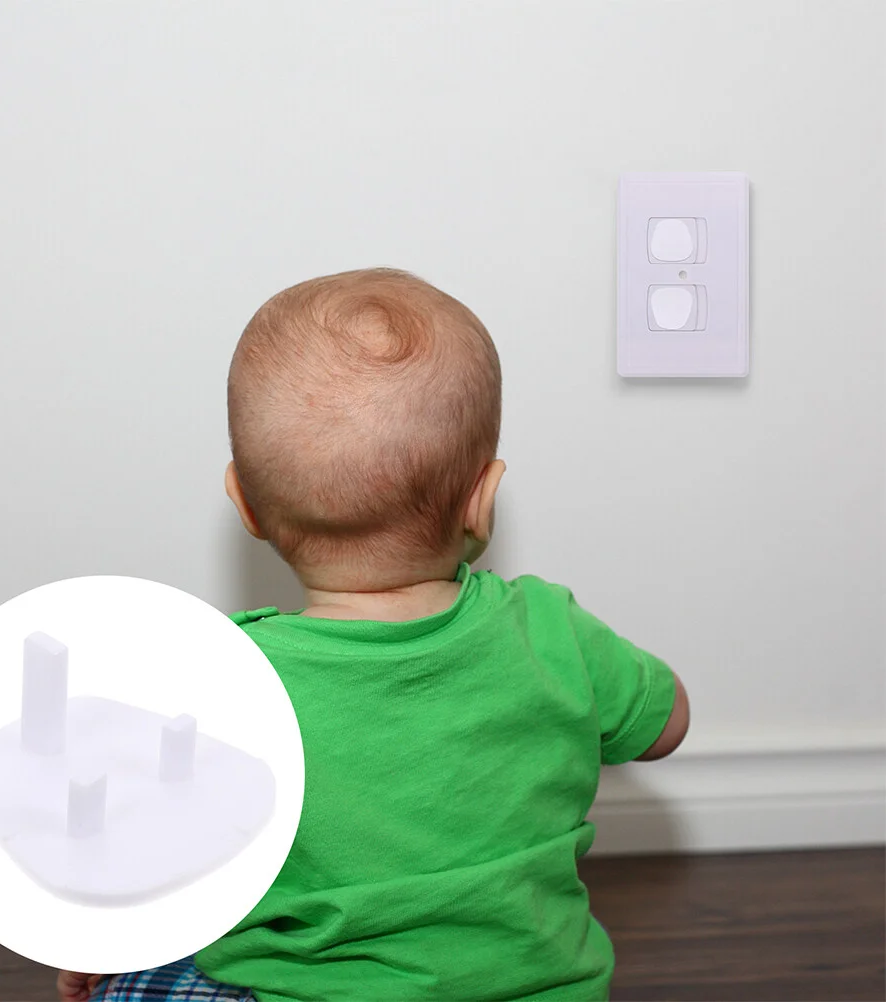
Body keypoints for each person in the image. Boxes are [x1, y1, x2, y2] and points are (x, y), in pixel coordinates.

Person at [59, 268, 689, 1002]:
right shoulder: (550, 630)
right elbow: (667, 725)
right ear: (483, 500)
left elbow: (154, 847)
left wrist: (105, 941)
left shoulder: (225, 679)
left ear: (245, 505)